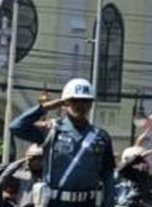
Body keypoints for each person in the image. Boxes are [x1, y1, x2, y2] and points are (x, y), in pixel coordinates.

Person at [9, 78, 115, 207]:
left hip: (88, 203)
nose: (80, 105)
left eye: (85, 101)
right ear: (65, 103)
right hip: (57, 202)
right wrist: (44, 107)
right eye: (74, 100)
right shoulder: (51, 130)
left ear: (91, 104)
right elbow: (16, 127)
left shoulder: (101, 136)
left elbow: (108, 175)